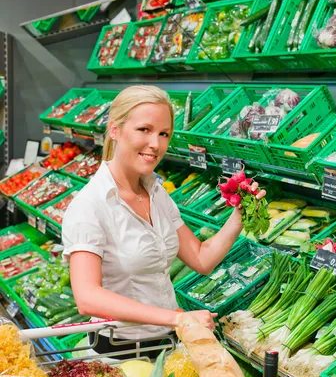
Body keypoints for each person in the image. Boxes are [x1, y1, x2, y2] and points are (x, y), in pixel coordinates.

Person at [62, 85, 264, 359]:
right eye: (144, 130)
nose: (155, 144)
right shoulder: (90, 206)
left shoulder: (157, 195)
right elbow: (87, 298)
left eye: (163, 134)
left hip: (168, 344)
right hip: (119, 352)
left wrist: (240, 214)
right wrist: (175, 318)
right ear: (115, 130)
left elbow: (201, 259)